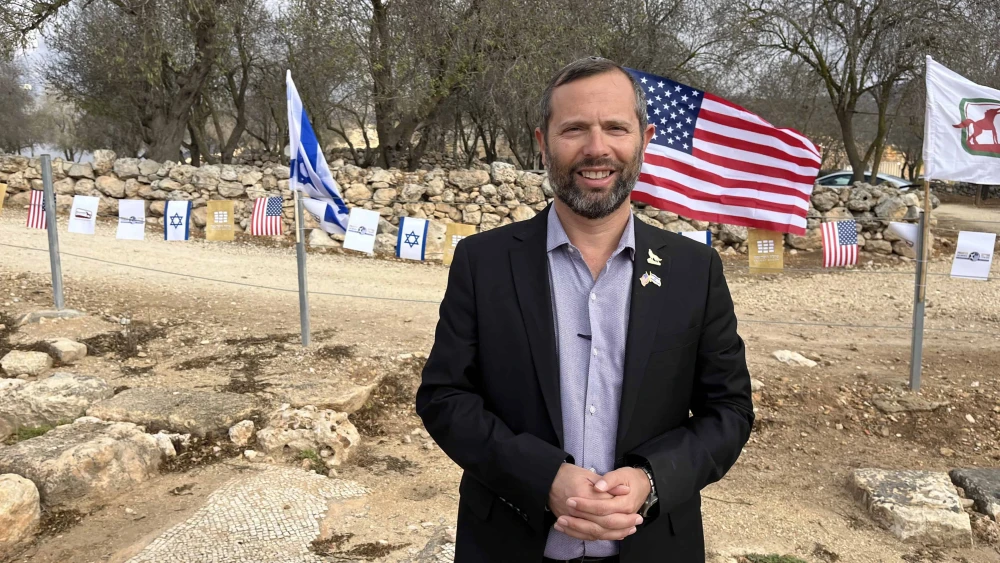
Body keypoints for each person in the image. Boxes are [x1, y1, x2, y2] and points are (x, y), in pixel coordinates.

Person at [416, 56, 754, 563]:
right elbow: (445, 396)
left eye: (615, 128)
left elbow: (728, 411)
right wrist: (541, 477)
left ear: (644, 137)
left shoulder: (694, 269)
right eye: (574, 129)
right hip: (509, 547)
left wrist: (651, 479)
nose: (597, 149)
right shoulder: (482, 262)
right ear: (542, 141)